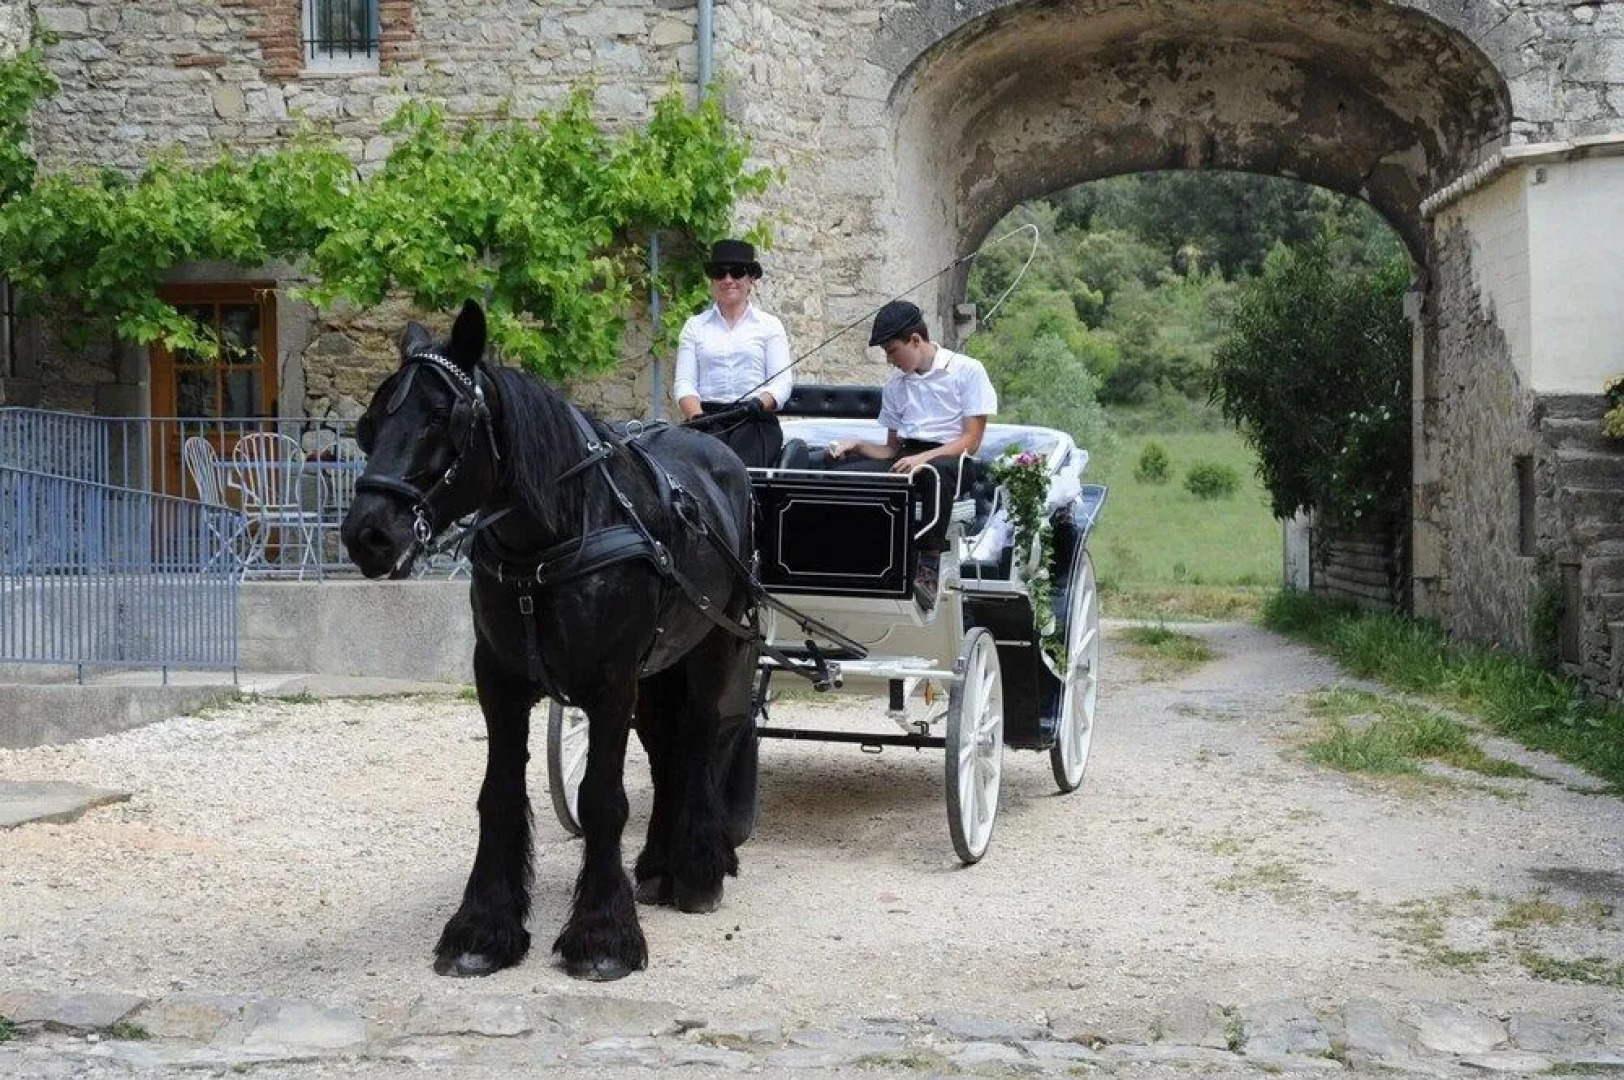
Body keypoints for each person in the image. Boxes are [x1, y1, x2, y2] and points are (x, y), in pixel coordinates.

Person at [827, 299, 998, 600]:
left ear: (916, 340)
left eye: (892, 350)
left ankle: (928, 565)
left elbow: (971, 440)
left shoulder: (966, 371)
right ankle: (854, 552)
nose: (890, 359)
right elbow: (891, 450)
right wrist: (856, 445)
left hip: (953, 459)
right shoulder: (896, 386)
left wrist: (923, 458)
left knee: (932, 474)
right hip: (908, 455)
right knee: (845, 473)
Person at [673, 239, 794, 468]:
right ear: (713, 281)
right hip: (708, 418)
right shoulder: (694, 327)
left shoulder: (770, 326)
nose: (728, 280)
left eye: (736, 273)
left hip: (753, 418)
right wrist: (699, 418)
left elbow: (781, 382)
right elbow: (685, 384)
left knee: (737, 468)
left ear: (751, 280)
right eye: (720, 273)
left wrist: (759, 404)